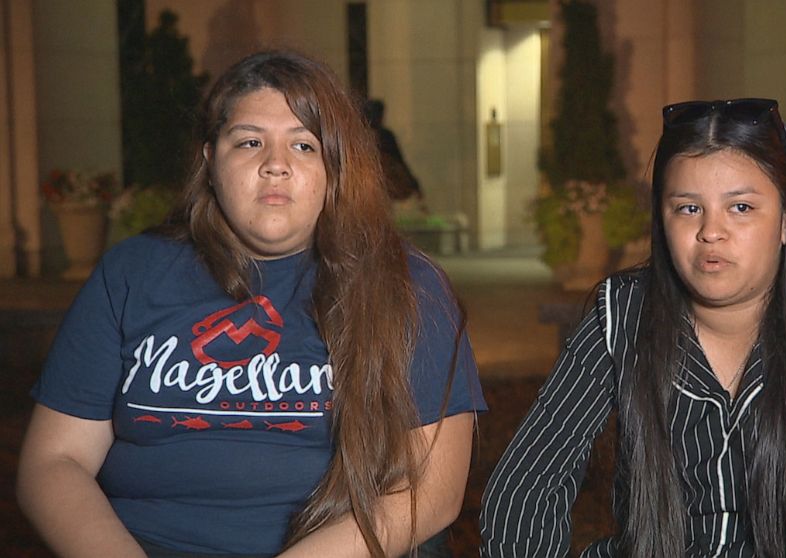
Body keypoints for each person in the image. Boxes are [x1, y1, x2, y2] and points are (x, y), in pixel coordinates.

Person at [17, 50, 485, 558]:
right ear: (209, 160)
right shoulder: (133, 273)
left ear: (336, 169)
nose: (276, 165)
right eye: (250, 141)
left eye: (304, 145)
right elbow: (55, 462)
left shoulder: (406, 286)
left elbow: (430, 494)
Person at [480, 98, 786, 557]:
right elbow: (525, 485)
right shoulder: (623, 312)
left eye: (741, 208)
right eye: (688, 208)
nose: (711, 231)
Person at [364, 99, 424, 205]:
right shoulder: (378, 136)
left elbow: (398, 159)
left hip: (380, 181)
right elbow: (399, 159)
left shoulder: (381, 136)